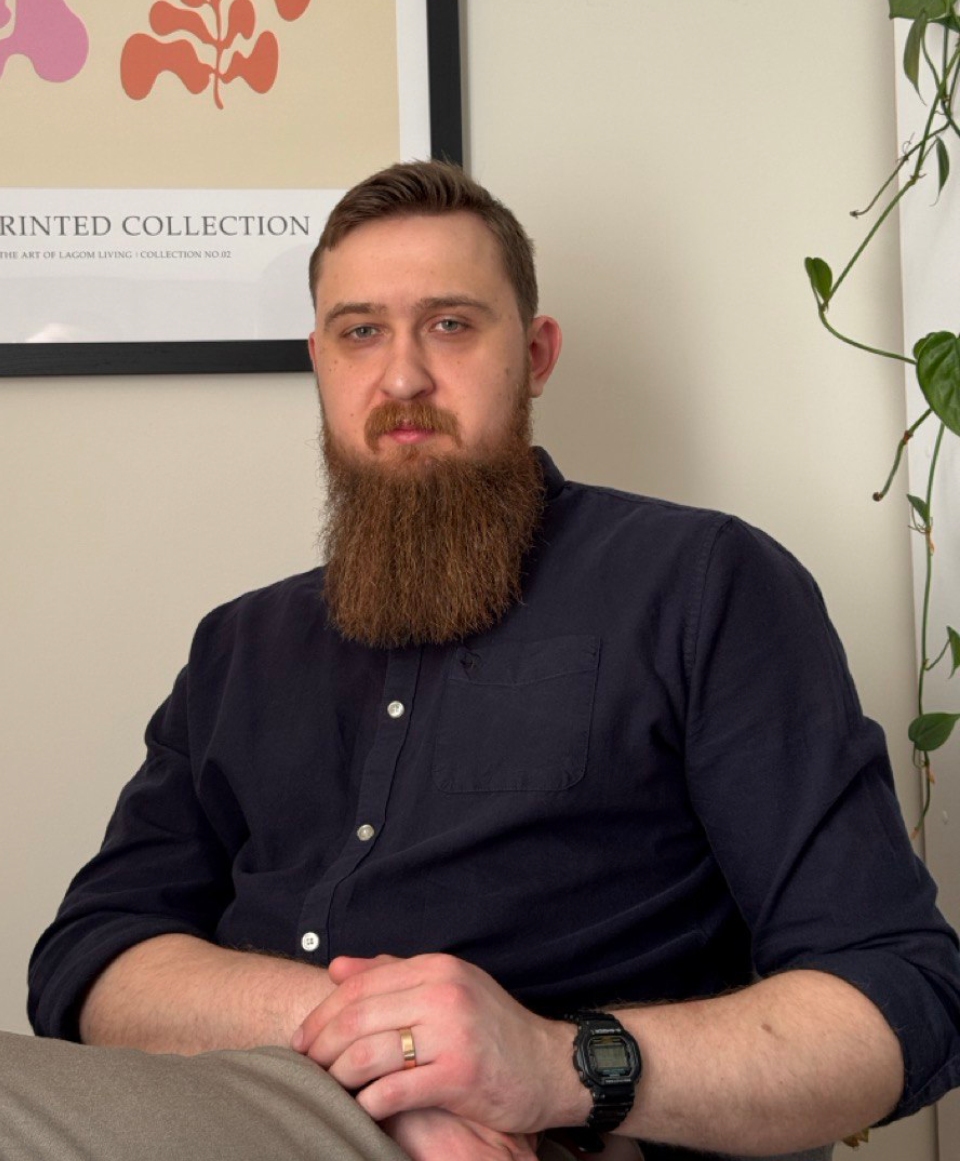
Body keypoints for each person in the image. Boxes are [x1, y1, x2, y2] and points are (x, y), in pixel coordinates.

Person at [22, 160, 960, 1161]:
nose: (402, 378)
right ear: (320, 360)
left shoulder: (703, 584)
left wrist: (553, 1065)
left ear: (537, 354)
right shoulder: (237, 646)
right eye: (360, 332)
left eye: (450, 324)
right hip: (237, 1111)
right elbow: (92, 955)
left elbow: (899, 995)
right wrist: (391, 1065)